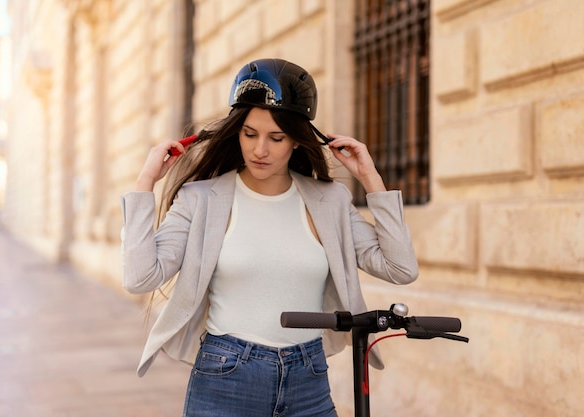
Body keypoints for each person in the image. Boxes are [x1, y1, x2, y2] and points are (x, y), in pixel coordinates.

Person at [120, 58, 418, 417]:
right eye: (250, 134)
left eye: (276, 138)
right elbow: (140, 278)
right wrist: (144, 185)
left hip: (309, 378)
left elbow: (400, 268)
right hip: (225, 376)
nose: (260, 150)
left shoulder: (329, 201)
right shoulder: (200, 199)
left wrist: (370, 178)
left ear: (296, 140)